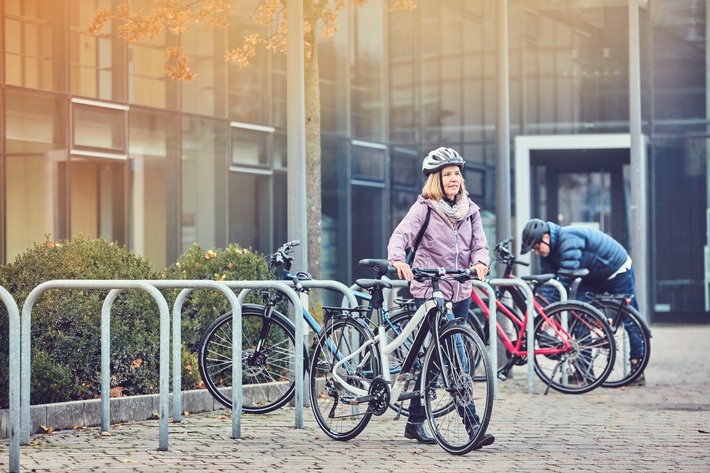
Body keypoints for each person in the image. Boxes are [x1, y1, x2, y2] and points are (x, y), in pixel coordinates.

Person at [387, 146, 494, 449]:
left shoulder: (470, 210)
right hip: (431, 290)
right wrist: (399, 259)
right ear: (436, 179)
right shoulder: (425, 207)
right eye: (447, 174)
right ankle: (473, 425)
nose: (453, 179)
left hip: (461, 290)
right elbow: (401, 235)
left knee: (435, 360)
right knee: (455, 354)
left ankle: (414, 422)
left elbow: (480, 245)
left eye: (457, 174)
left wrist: (481, 263)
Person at [520, 218, 646, 384]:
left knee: (629, 319)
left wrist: (549, 313)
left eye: (536, 247)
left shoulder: (569, 239)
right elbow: (551, 286)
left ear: (546, 237)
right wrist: (544, 312)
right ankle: (583, 371)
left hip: (618, 270)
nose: (536, 252)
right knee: (578, 315)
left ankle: (637, 369)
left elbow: (564, 280)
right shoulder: (547, 254)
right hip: (592, 276)